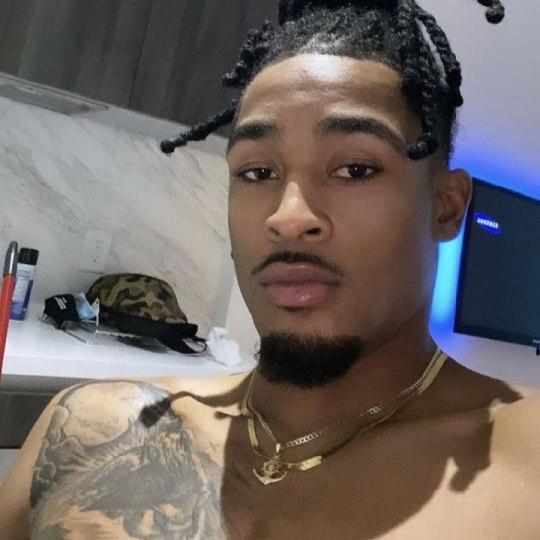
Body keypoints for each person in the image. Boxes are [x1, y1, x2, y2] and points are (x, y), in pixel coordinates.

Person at [2, 0, 539, 538]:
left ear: (446, 206)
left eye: (355, 168)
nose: (288, 218)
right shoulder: (87, 433)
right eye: (257, 172)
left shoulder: (525, 470)